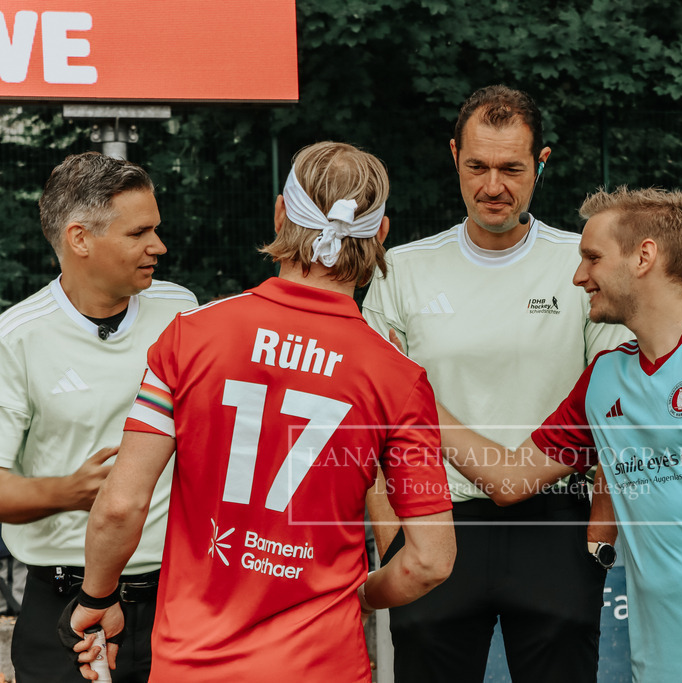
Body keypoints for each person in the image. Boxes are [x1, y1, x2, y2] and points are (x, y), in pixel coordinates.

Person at [63, 141, 456, 682]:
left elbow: (120, 505)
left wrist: (96, 597)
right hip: (323, 666)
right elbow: (431, 561)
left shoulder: (192, 335)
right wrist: (359, 596)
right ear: (381, 233)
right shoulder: (397, 376)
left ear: (279, 213)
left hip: (192, 664)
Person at [437, 186, 682, 683]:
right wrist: (413, 398)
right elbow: (508, 480)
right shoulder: (602, 377)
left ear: (644, 257)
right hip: (656, 667)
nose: (579, 276)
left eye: (592, 258)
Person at [361, 84, 631, 683]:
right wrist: (393, 535)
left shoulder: (582, 265)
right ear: (454, 155)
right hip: (433, 522)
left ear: (542, 162)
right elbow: (373, 417)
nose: (492, 186)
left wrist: (597, 540)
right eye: (477, 166)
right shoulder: (401, 270)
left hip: (556, 520)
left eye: (511, 168)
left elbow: (615, 408)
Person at [0, 151, 197, 682]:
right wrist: (71, 490)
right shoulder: (15, 338)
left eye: (156, 229)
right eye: (139, 233)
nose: (158, 246)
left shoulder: (182, 310)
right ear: (80, 238)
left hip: (179, 598)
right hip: (64, 607)